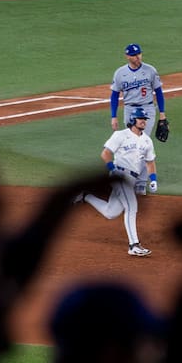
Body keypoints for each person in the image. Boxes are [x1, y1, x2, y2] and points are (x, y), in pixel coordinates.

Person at [73, 107, 158, 257]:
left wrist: (153, 179)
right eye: (141, 119)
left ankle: (85, 196)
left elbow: (150, 162)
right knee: (131, 206)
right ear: (133, 120)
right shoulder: (120, 135)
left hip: (132, 178)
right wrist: (112, 168)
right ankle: (134, 245)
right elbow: (105, 153)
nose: (144, 121)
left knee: (111, 212)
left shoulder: (147, 140)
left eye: (145, 119)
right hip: (120, 175)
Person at [110, 43, 167, 138]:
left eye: (139, 54)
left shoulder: (150, 70)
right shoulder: (120, 73)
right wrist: (113, 117)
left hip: (147, 108)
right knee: (132, 139)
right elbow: (114, 95)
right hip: (129, 109)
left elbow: (158, 92)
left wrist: (162, 113)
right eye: (134, 55)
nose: (138, 57)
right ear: (127, 56)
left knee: (142, 138)